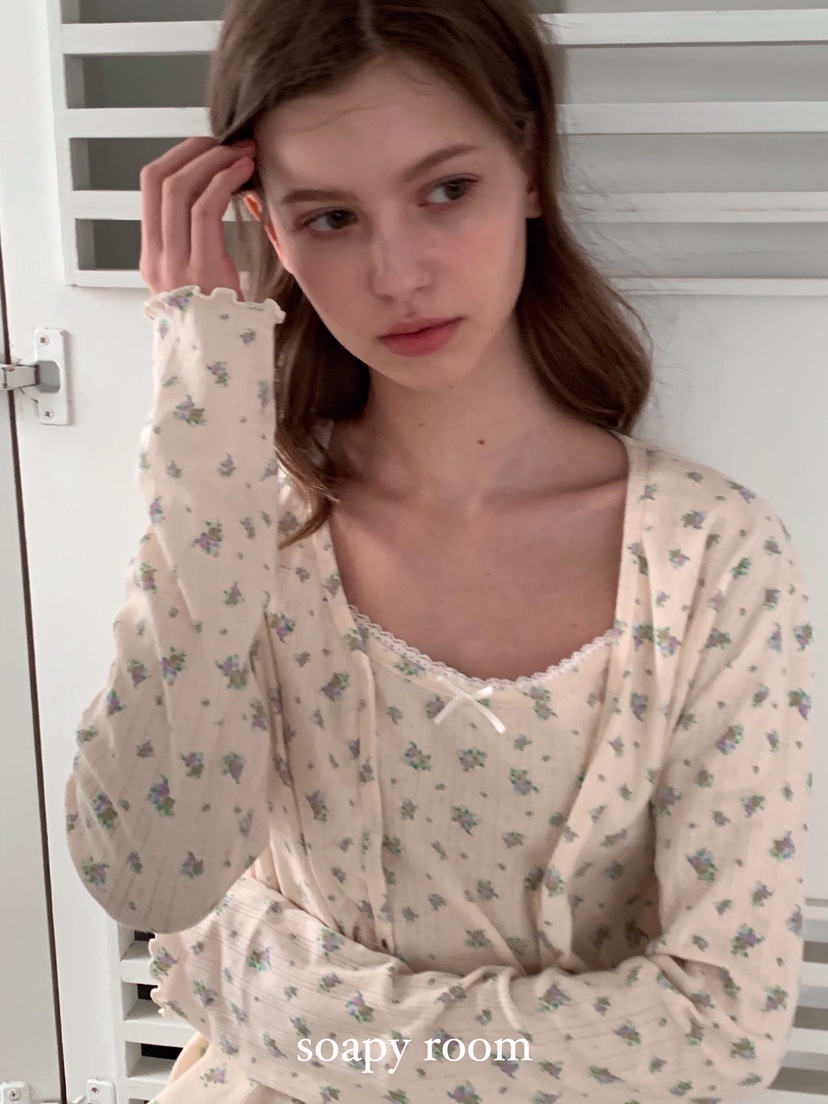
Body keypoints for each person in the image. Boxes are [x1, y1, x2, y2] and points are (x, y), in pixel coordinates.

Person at [64, 1, 814, 1102]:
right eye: (330, 217)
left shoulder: (712, 553)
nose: (399, 272)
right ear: (267, 227)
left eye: (446, 190)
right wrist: (201, 392)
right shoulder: (234, 524)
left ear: (529, 169)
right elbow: (152, 879)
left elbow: (719, 1035)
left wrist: (297, 1016)